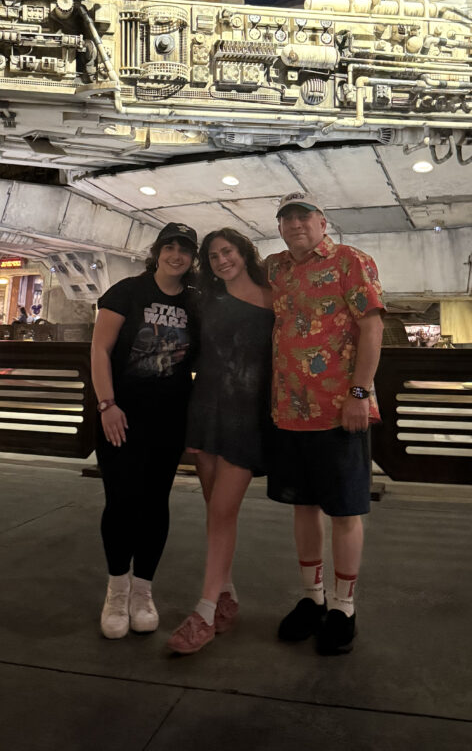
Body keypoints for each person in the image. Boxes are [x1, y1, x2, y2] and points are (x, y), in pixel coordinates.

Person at [266, 192, 385, 656]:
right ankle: (312, 598)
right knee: (302, 507)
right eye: (286, 218)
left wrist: (359, 393)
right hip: (289, 412)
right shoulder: (276, 268)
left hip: (341, 411)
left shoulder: (349, 261)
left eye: (303, 216)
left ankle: (344, 606)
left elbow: (371, 327)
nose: (295, 224)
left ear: (322, 221)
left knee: (345, 511)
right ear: (278, 227)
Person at [90, 222, 198, 640]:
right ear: (157, 252)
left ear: (192, 258)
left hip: (168, 418)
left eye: (185, 250)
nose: (177, 255)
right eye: (170, 247)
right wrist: (107, 404)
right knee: (120, 501)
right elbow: (99, 348)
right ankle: (116, 590)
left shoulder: (195, 302)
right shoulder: (126, 292)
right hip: (121, 414)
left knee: (155, 503)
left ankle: (143, 591)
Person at [167, 229, 273, 655]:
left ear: (244, 252)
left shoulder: (273, 297)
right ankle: (226, 596)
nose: (221, 260)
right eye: (213, 257)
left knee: (224, 511)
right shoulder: (203, 299)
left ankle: (205, 610)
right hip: (206, 409)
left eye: (227, 252)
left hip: (247, 416)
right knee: (215, 511)